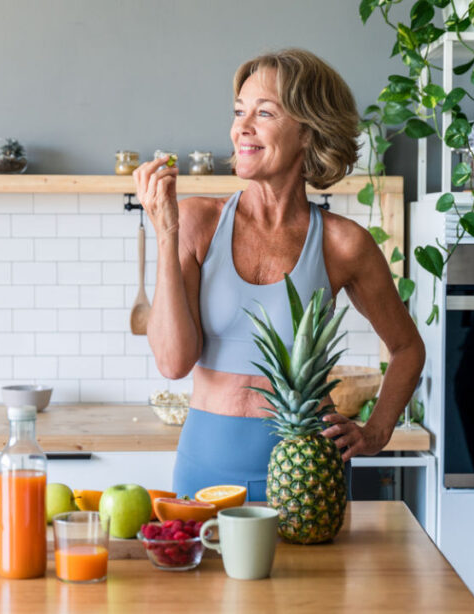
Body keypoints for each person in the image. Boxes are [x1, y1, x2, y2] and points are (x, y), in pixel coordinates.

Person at [133, 48, 425, 501]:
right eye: (238, 111)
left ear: (308, 131)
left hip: (310, 473)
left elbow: (407, 347)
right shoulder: (196, 223)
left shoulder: (344, 244)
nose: (241, 127)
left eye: (264, 112)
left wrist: (376, 430)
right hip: (206, 469)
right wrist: (166, 232)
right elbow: (173, 362)